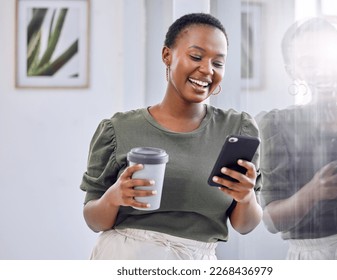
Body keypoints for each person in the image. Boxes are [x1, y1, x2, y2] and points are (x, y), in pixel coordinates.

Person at [80, 13, 262, 260]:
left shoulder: (238, 129)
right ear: (167, 55)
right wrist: (114, 197)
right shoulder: (117, 129)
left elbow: (245, 225)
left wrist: (246, 195)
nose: (207, 70)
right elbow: (93, 220)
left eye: (218, 63)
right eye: (196, 56)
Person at [257, 17, 337, 259]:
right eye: (308, 62)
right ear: (292, 71)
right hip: (315, 258)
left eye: (330, 59)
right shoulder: (276, 125)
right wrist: (314, 192)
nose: (323, 70)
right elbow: (272, 220)